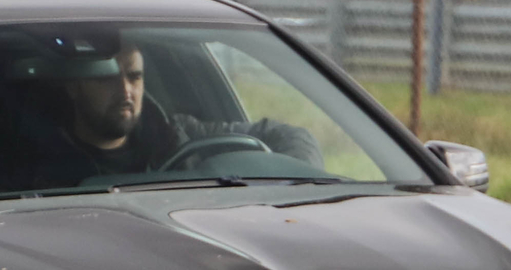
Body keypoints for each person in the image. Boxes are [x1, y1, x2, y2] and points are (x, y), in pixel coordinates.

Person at [46, 43, 321, 180]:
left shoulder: (180, 134)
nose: (125, 90)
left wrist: (292, 187)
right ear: (74, 88)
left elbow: (293, 137)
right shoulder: (40, 165)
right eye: (106, 79)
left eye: (135, 76)